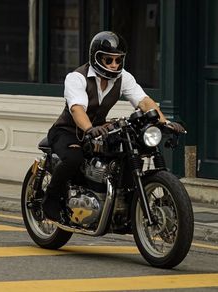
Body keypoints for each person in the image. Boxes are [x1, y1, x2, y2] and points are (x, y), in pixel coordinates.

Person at [42, 31, 185, 222]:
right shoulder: (77, 77)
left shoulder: (123, 78)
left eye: (118, 60)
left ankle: (122, 205)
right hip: (68, 131)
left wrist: (164, 122)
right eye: (108, 60)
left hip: (99, 129)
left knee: (127, 153)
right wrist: (89, 129)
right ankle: (50, 200)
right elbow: (77, 109)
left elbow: (143, 101)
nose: (114, 65)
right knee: (74, 158)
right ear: (96, 57)